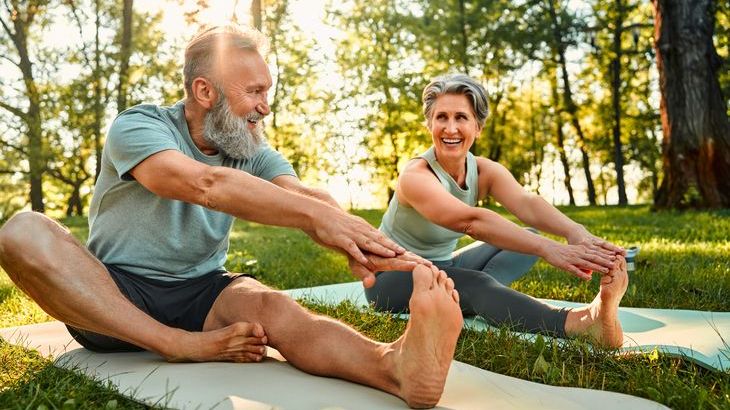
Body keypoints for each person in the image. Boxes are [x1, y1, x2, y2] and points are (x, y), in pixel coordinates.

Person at [0, 26, 464, 409]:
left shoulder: (248, 146)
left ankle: (395, 368)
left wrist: (360, 239)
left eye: (268, 91)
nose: (266, 105)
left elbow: (304, 196)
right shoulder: (139, 126)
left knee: (274, 307)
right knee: (21, 231)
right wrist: (312, 217)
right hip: (113, 294)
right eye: (256, 91)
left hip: (204, 292)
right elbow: (205, 185)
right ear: (205, 91)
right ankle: (174, 343)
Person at [365, 73, 629, 348]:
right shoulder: (416, 175)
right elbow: (470, 222)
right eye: (441, 117)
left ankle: (472, 297)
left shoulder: (482, 170)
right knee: (477, 283)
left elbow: (527, 204)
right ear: (429, 124)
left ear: (478, 127)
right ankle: (583, 323)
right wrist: (550, 248)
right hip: (390, 278)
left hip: (442, 265)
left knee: (523, 239)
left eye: (461, 118)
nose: (450, 128)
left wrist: (576, 232)